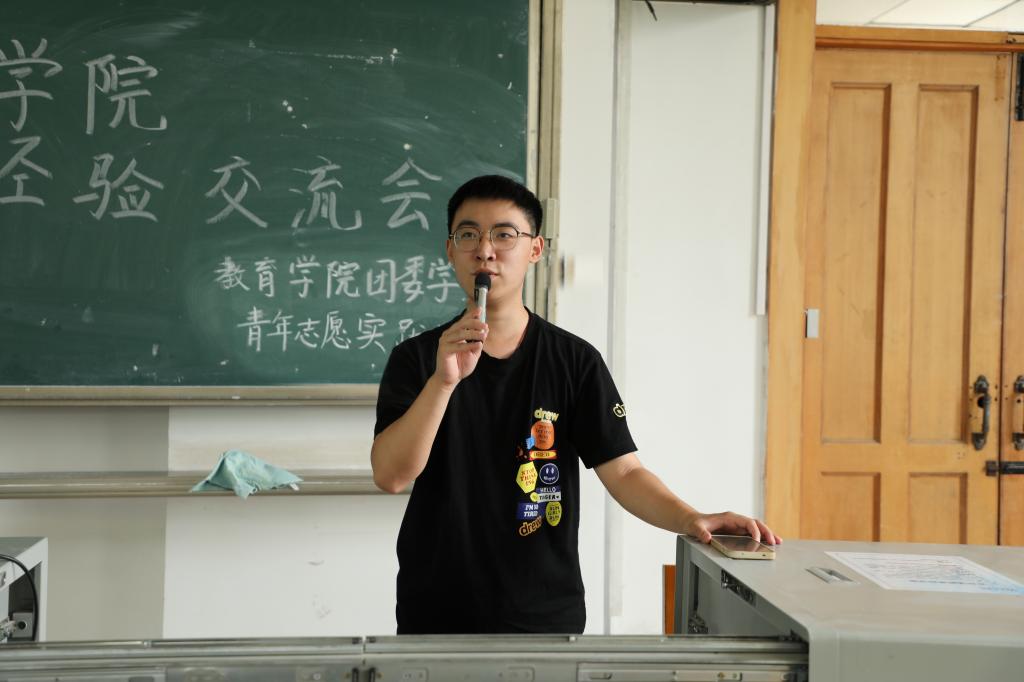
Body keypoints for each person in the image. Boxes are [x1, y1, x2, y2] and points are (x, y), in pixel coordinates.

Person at [371, 175, 780, 634]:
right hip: (435, 611)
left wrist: (691, 518)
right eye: (469, 235)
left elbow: (624, 472)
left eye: (504, 234)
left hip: (543, 614)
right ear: (450, 250)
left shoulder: (574, 360)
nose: (485, 250)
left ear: (535, 249)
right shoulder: (417, 359)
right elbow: (391, 476)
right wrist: (443, 382)